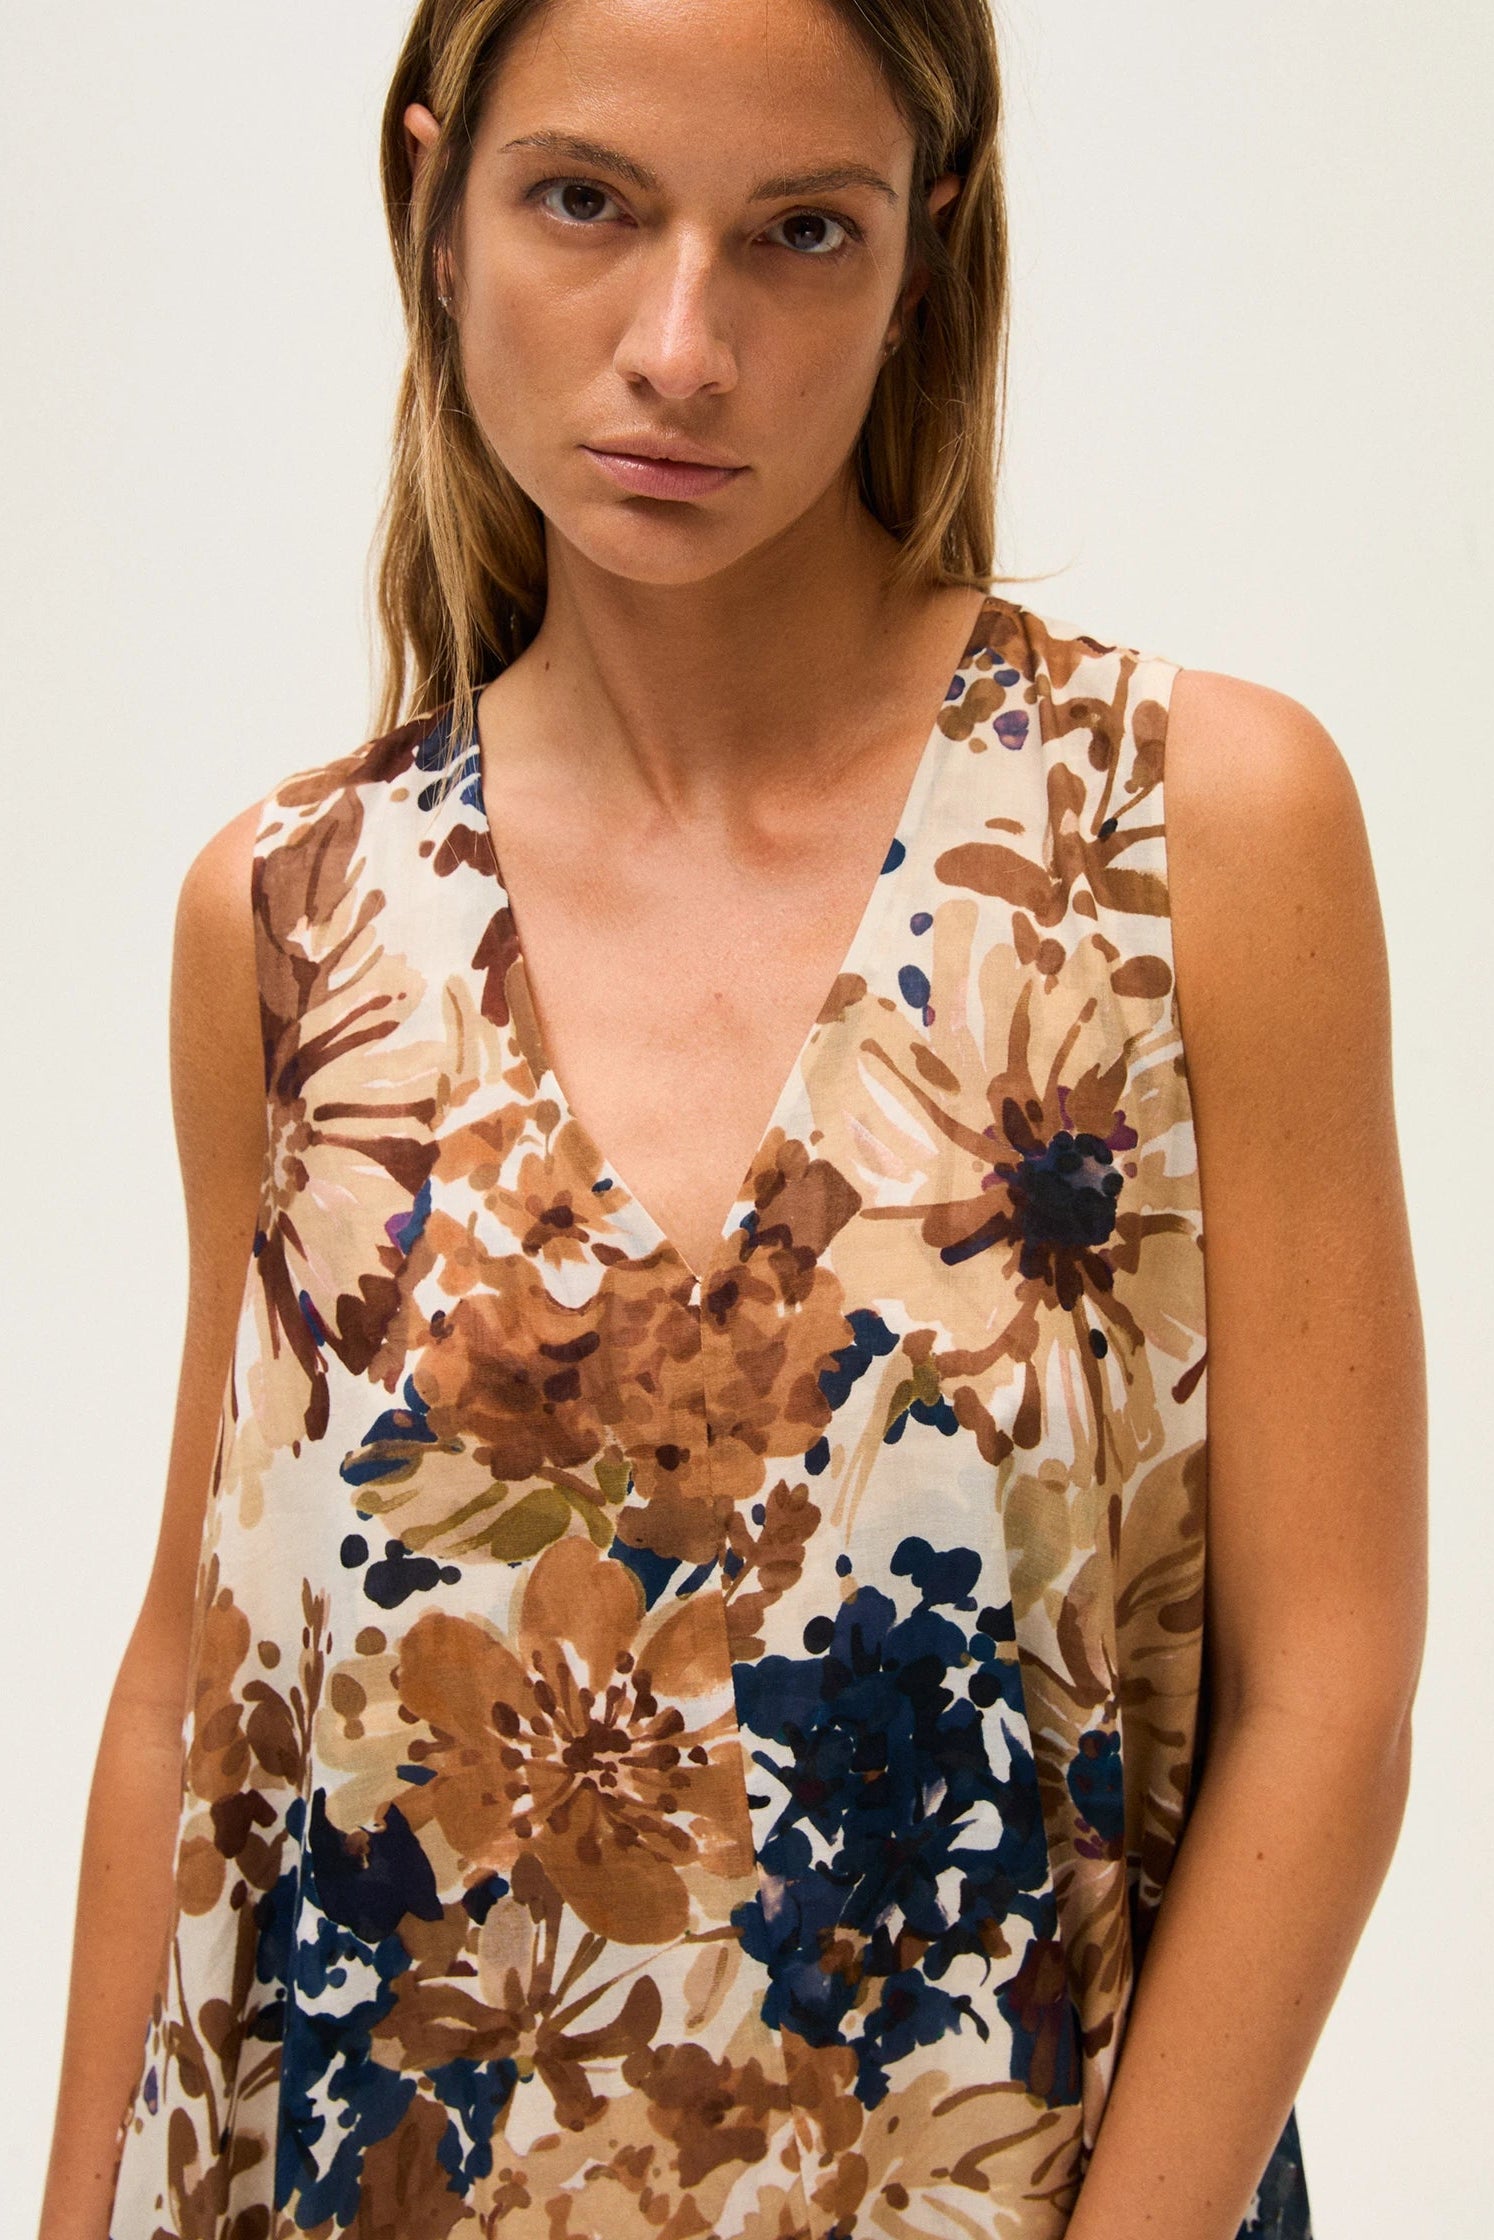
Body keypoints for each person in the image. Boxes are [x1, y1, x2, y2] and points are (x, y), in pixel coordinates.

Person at [39, 1, 1426, 2236]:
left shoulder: (1183, 835)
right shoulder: (295, 921)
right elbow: (195, 1684)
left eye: (798, 233)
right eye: (584, 201)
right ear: (435, 201)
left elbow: (1328, 1694)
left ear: (923, 248)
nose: (683, 347)